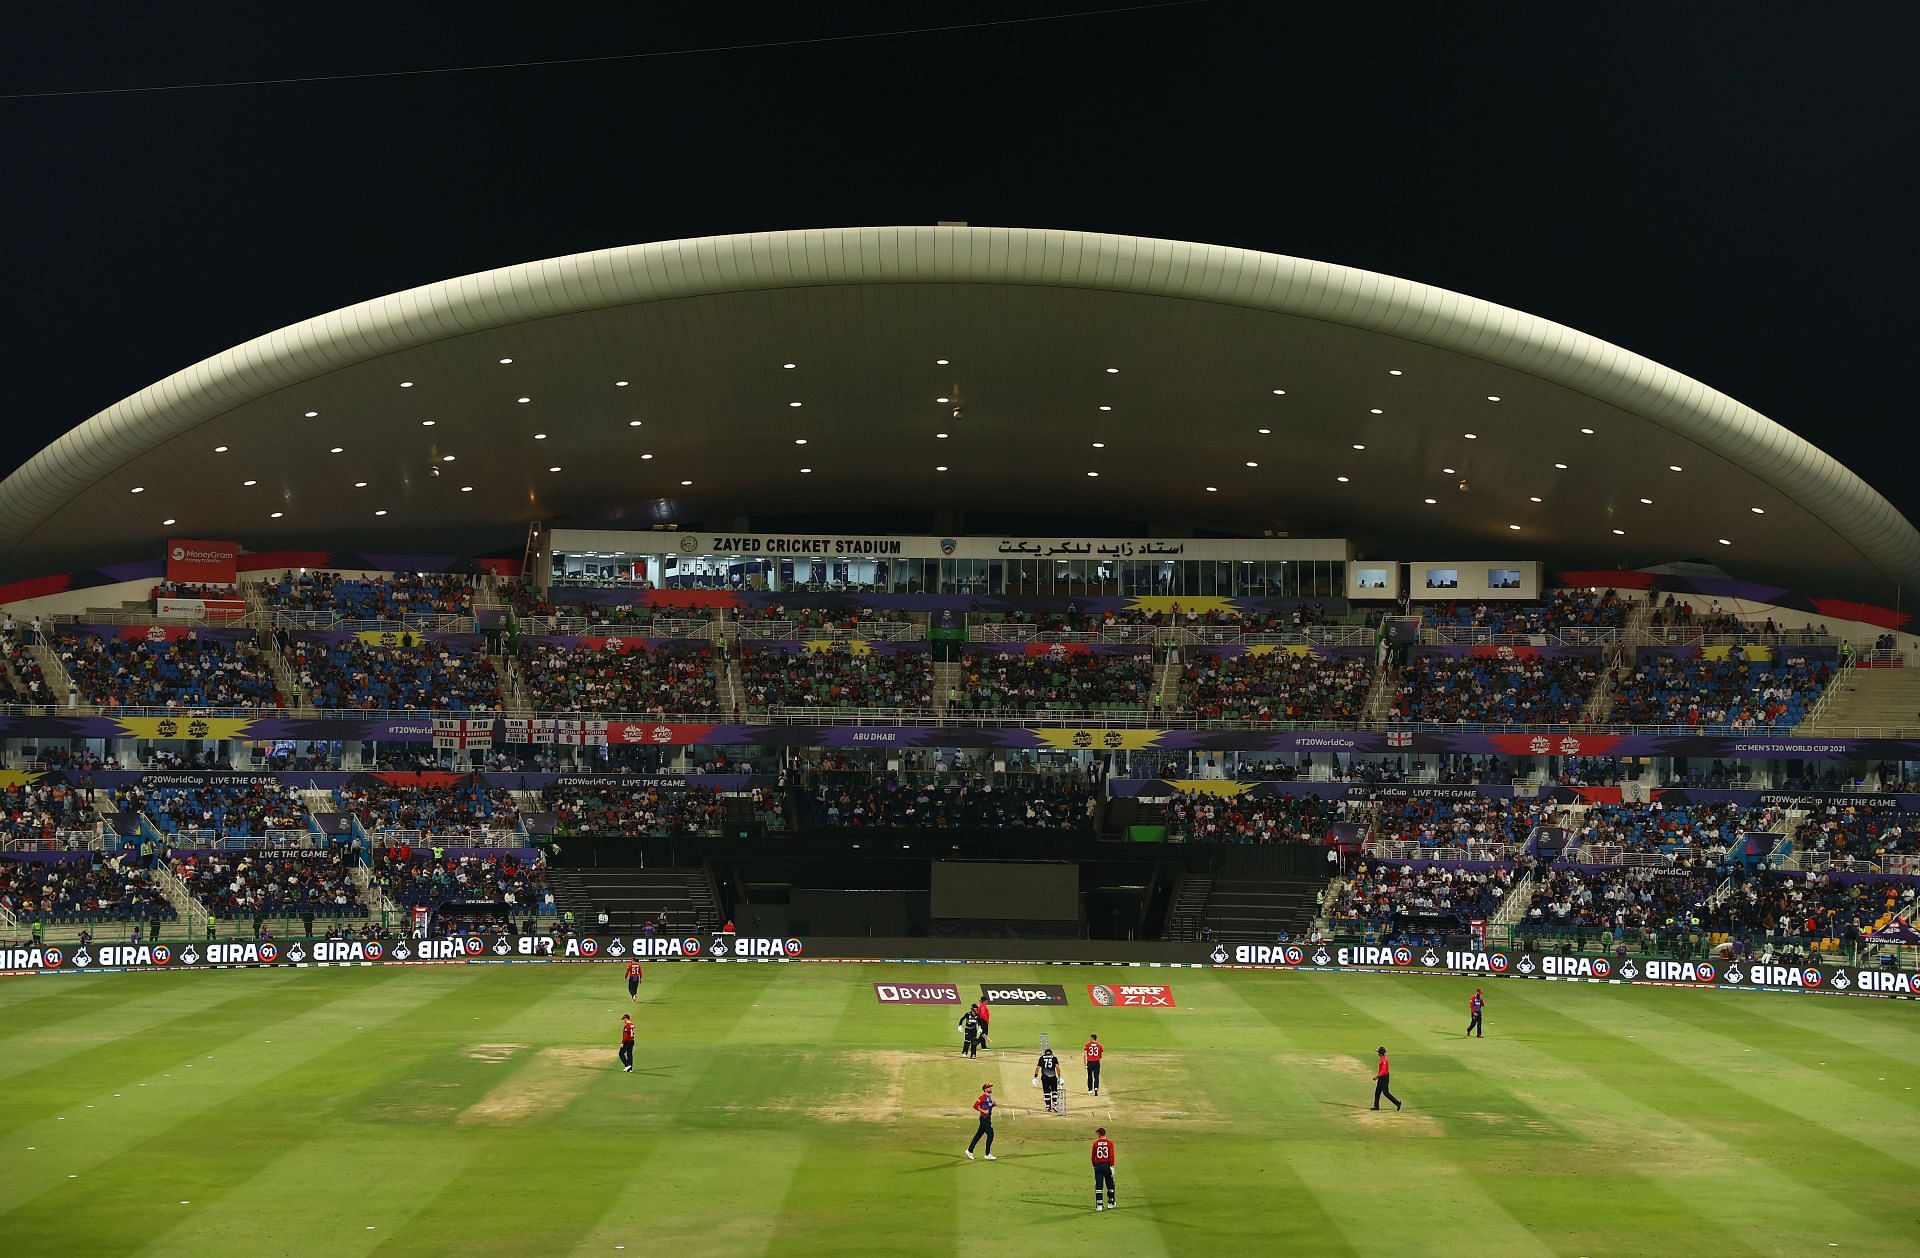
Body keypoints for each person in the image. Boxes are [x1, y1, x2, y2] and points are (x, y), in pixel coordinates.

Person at [966, 1083, 996, 1160]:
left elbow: (988, 1107)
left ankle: (969, 1150)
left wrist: (992, 1105)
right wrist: (983, 1111)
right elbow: (975, 1106)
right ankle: (987, 1154)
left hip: (987, 1118)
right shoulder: (983, 1097)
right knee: (990, 1134)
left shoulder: (989, 1097)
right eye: (989, 1087)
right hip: (984, 1118)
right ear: (985, 1089)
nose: (990, 1088)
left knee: (978, 1135)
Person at [1091, 1127, 1117, 1211]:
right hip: (1107, 1165)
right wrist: (1112, 1166)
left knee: (1099, 1185)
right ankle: (1111, 1203)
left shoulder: (1095, 1143)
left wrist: (1094, 1165)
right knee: (1110, 1184)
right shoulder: (1110, 1143)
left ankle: (1099, 1205)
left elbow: (1093, 1156)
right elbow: (1111, 1156)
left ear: (1099, 1134)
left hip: (1098, 1166)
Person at [1035, 1045, 1063, 1113]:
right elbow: (1057, 1068)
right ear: (1051, 1053)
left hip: (1044, 1077)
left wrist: (1035, 1077)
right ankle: (1054, 1105)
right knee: (1054, 1091)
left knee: (1046, 1092)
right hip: (1053, 1077)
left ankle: (1048, 1106)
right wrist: (1059, 1077)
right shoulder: (1054, 1058)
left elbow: (1037, 1068)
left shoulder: (1041, 1058)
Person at [1372, 1046, 1401, 1111]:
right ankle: (1376, 1106)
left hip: (1384, 1078)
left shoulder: (1384, 1060)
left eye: (1378, 1052)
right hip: (1381, 1077)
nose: (1377, 1053)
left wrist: (1377, 1077)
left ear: (1380, 1053)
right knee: (1377, 1092)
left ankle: (1397, 1103)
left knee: (1386, 1093)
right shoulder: (1382, 1058)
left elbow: (1383, 1070)